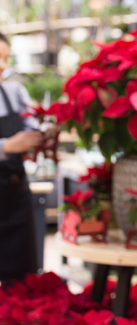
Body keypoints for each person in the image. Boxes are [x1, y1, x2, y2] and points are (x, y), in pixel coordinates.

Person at [0, 32, 42, 282]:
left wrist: (41, 135)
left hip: (15, 195)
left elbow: (33, 124)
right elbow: (14, 143)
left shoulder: (14, 92)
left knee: (20, 279)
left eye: (5, 58)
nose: (2, 65)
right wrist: (8, 146)